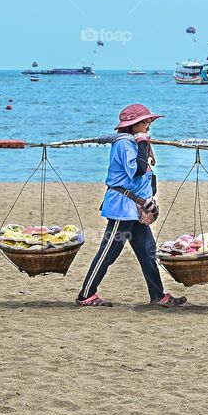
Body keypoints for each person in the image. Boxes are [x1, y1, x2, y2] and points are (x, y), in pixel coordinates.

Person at [76, 103, 187, 308]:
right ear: (133, 125)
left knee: (147, 251)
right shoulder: (124, 144)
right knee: (109, 251)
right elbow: (137, 170)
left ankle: (157, 295)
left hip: (137, 209)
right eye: (144, 123)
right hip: (122, 208)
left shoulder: (134, 142)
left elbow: (146, 175)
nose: (148, 126)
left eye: (148, 122)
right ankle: (86, 295)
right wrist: (143, 143)